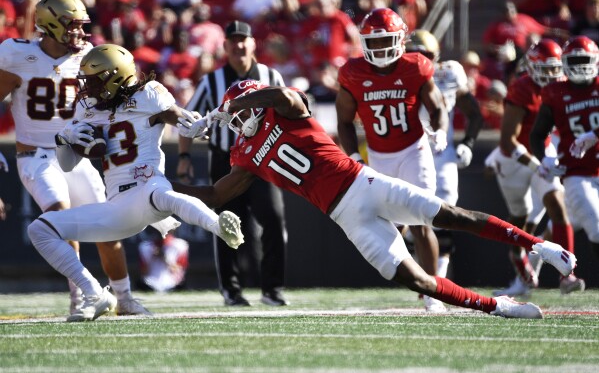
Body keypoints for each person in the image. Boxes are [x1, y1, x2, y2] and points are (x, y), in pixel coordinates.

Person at [174, 79, 578, 319]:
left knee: (454, 216)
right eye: (232, 117)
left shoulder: (286, 108)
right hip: (346, 216)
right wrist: (166, 191)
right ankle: (498, 307)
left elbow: (279, 93)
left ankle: (540, 244)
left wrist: (232, 103)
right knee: (417, 280)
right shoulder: (242, 154)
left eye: (241, 111)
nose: (237, 122)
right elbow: (215, 193)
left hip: (366, 183)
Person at [26, 43, 244, 322]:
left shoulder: (149, 94)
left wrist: (203, 120)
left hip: (146, 186)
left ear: (114, 77)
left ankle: (219, 227)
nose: (87, 87)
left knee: (161, 192)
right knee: (40, 229)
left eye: (93, 80)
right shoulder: (87, 108)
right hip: (116, 205)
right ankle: (95, 293)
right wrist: (63, 139)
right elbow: (68, 165)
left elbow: (184, 122)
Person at [0, 0, 157, 318]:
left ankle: (124, 298)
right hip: (36, 155)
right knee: (60, 216)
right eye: (71, 26)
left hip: (75, 155)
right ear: (49, 25)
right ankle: (85, 294)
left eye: (81, 26)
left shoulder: (89, 55)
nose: (79, 33)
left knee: (107, 224)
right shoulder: (16, 55)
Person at [335, 8, 448, 312]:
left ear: (400, 41)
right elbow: (344, 121)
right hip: (378, 157)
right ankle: (418, 282)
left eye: (387, 41)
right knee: (390, 229)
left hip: (414, 150)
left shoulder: (415, 66)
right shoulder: (352, 72)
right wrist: (354, 157)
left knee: (423, 221)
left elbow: (437, 107)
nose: (381, 49)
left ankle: (433, 291)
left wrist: (441, 131)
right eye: (374, 42)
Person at [178, 20, 289, 307]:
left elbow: (288, 113)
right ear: (225, 46)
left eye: (244, 40)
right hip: (225, 161)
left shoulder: (270, 75)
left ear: (253, 44)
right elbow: (188, 120)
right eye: (233, 41)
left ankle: (272, 289)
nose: (239, 45)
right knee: (225, 224)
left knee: (274, 221)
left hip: (264, 161)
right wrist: (184, 157)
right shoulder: (212, 80)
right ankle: (231, 290)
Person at [489, 39, 584, 296]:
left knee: (557, 204)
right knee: (521, 222)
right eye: (546, 69)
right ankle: (519, 264)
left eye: (555, 68)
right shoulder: (522, 89)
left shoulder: (563, 87)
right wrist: (534, 164)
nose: (551, 75)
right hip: (515, 161)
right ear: (531, 67)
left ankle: (567, 275)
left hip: (543, 151)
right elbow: (508, 141)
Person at [404, 29, 483, 288]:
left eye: (425, 55)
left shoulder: (448, 74)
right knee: (403, 218)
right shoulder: (394, 75)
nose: (420, 60)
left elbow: (474, 112)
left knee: (444, 215)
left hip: (440, 154)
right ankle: (420, 270)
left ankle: (437, 279)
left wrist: (468, 143)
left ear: (435, 56)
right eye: (413, 54)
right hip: (406, 153)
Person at [531, 35, 599, 262]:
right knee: (597, 230)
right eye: (575, 61)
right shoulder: (555, 92)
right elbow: (537, 135)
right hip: (578, 173)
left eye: (584, 61)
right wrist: (545, 159)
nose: (580, 67)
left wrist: (594, 134)